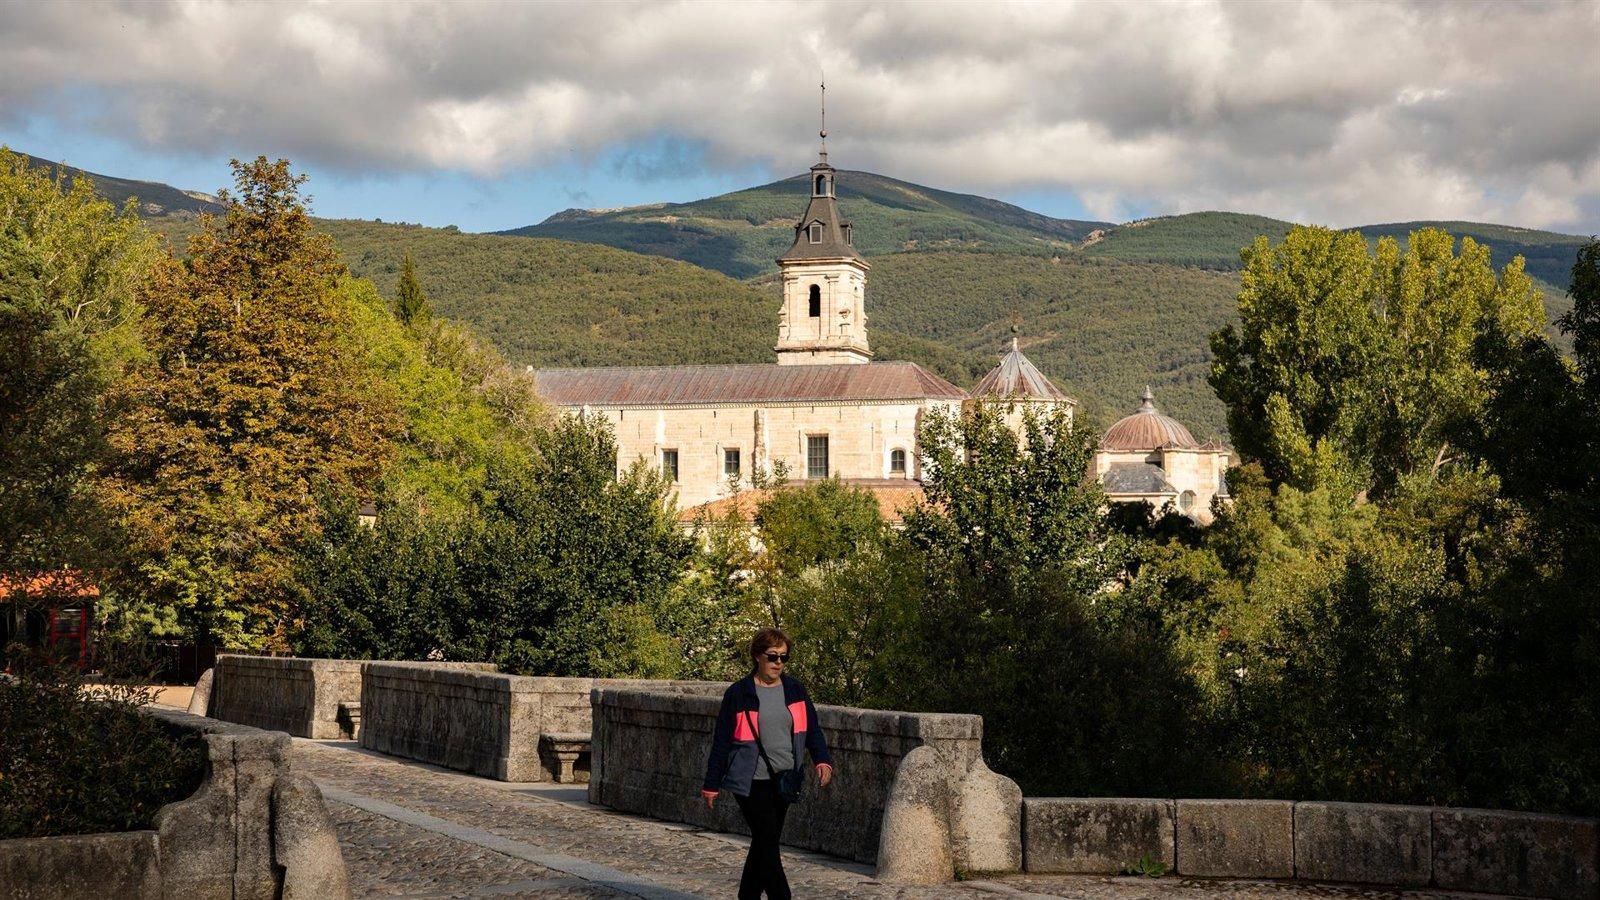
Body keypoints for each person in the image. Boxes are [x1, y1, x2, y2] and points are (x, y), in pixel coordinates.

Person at [702, 627, 833, 900]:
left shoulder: (795, 689)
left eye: (784, 658)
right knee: (768, 842)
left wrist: (822, 760)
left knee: (765, 842)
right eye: (773, 656)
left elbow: (812, 730)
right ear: (757, 656)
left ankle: (747, 896)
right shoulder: (739, 693)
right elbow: (722, 741)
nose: (778, 663)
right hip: (750, 780)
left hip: (785, 778)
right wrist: (711, 783)